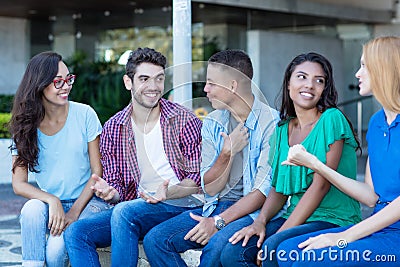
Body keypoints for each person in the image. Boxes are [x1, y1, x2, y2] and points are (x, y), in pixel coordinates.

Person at [220, 52, 362, 267]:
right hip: (295, 215)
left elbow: (320, 186)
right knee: (232, 252)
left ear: (325, 88)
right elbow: (279, 188)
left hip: (332, 219)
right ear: (288, 83)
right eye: (302, 77)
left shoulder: (331, 119)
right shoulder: (282, 130)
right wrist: (261, 222)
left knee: (271, 249)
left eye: (319, 80)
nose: (310, 85)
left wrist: (278, 235)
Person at [64, 47, 203, 267]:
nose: (153, 87)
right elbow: (117, 189)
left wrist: (167, 193)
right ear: (128, 82)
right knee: (77, 232)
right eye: (144, 79)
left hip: (182, 206)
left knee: (124, 211)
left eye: (159, 79)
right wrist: (111, 193)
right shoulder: (113, 128)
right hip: (135, 210)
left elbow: (197, 180)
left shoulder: (184, 120)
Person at [142, 49, 281, 266]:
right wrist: (227, 153)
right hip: (215, 205)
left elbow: (262, 193)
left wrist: (217, 223)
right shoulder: (213, 122)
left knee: (215, 250)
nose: (205, 89)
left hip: (254, 212)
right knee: (156, 240)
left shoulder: (272, 124)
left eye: (211, 83)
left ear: (232, 86)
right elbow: (210, 187)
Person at [276, 36, 400, 266]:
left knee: (309, 261)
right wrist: (316, 165)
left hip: (395, 238)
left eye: (364, 66)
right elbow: (370, 197)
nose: (357, 73)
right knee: (286, 251)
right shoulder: (376, 122)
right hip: (379, 227)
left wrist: (343, 237)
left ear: (384, 69)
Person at [9, 51, 110, 267]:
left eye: (69, 79)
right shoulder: (25, 125)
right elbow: (18, 184)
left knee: (55, 253)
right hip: (51, 204)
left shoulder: (85, 114)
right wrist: (51, 200)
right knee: (31, 210)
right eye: (58, 81)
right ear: (40, 84)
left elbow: (97, 172)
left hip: (88, 202)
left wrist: (74, 211)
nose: (66, 86)